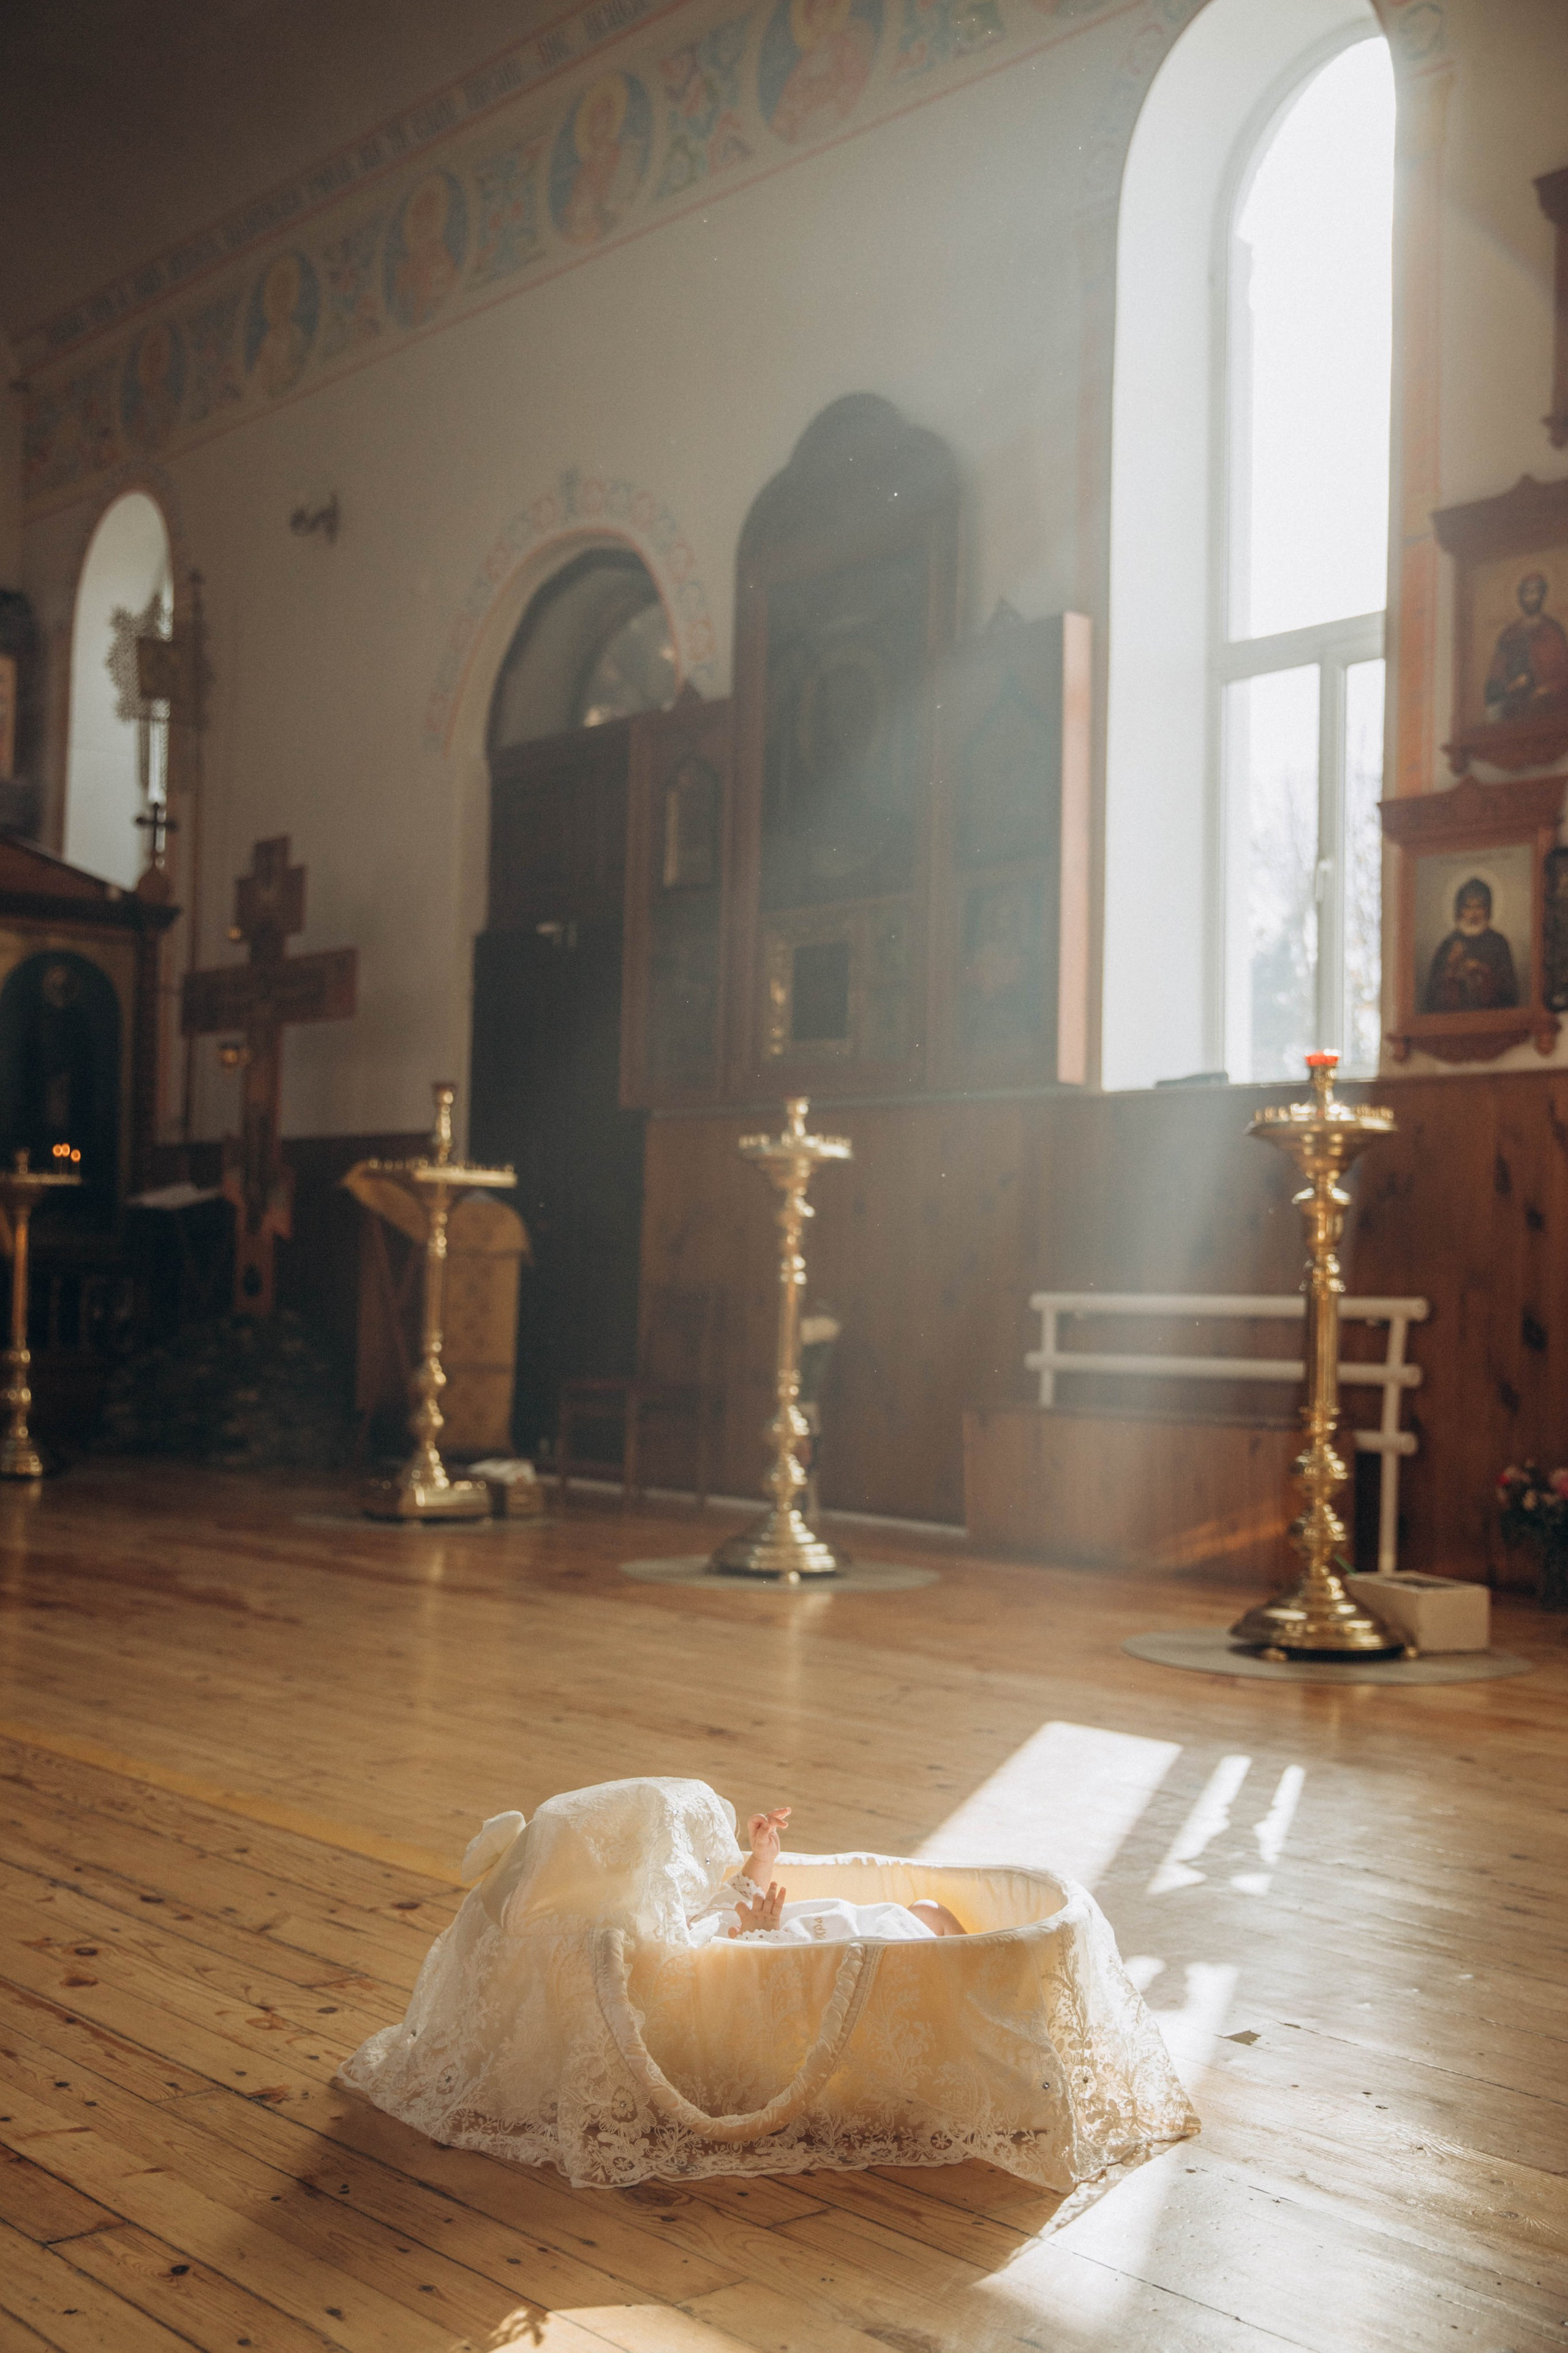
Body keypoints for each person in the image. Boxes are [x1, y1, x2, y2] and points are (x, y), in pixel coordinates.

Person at [690, 1804, 967, 1941]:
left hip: (861, 1924)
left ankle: (982, 1979)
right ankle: (972, 1993)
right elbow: (768, 1986)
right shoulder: (703, 1943)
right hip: (854, 1961)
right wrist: (763, 1936)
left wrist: (762, 1855)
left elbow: (745, 1889)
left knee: (929, 1912)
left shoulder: (708, 1908)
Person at [1424, 876, 1520, 1013]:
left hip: (1491, 1019)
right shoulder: (1448, 945)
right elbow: (1432, 998)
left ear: (1488, 909)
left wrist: (1483, 971)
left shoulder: (1498, 943)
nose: (1474, 914)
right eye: (1468, 907)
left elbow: (1510, 993)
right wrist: (1451, 968)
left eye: (1479, 907)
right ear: (1460, 911)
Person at [1484, 571, 1568, 723]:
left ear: (1543, 595)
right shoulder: (1510, 634)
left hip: (1549, 708)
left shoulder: (1553, 630)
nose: (1532, 598)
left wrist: (1548, 688)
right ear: (1521, 596)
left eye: (1537, 592)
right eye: (1528, 593)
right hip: (1514, 708)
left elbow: (1564, 673)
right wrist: (1510, 686)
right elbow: (1495, 676)